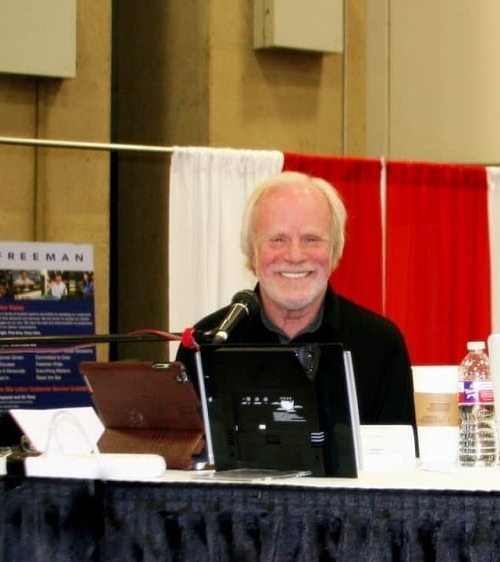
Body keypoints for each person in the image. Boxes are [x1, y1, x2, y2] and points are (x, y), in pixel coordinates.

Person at [178, 171, 417, 431]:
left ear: (335, 248)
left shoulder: (380, 344)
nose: (295, 255)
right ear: (251, 250)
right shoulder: (206, 344)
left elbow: (400, 466)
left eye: (311, 239)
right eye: (278, 239)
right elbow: (185, 460)